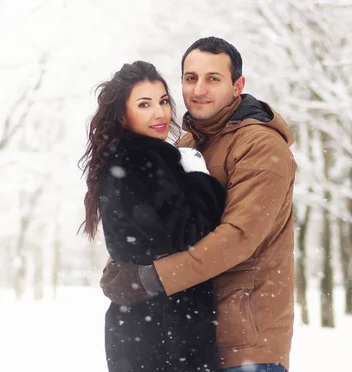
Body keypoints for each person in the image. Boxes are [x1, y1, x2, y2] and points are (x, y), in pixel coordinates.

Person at [100, 37, 297, 372]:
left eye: (213, 79)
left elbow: (238, 238)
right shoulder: (188, 143)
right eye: (191, 78)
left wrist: (149, 280)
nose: (199, 89)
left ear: (238, 86)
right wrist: (118, 268)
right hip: (193, 336)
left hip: (246, 345)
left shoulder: (261, 146)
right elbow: (156, 223)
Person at [79, 60, 227, 372]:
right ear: (123, 113)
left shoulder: (125, 158)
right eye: (144, 104)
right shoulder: (141, 160)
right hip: (161, 332)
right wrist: (200, 179)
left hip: (147, 326)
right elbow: (189, 233)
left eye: (162, 101)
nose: (159, 113)